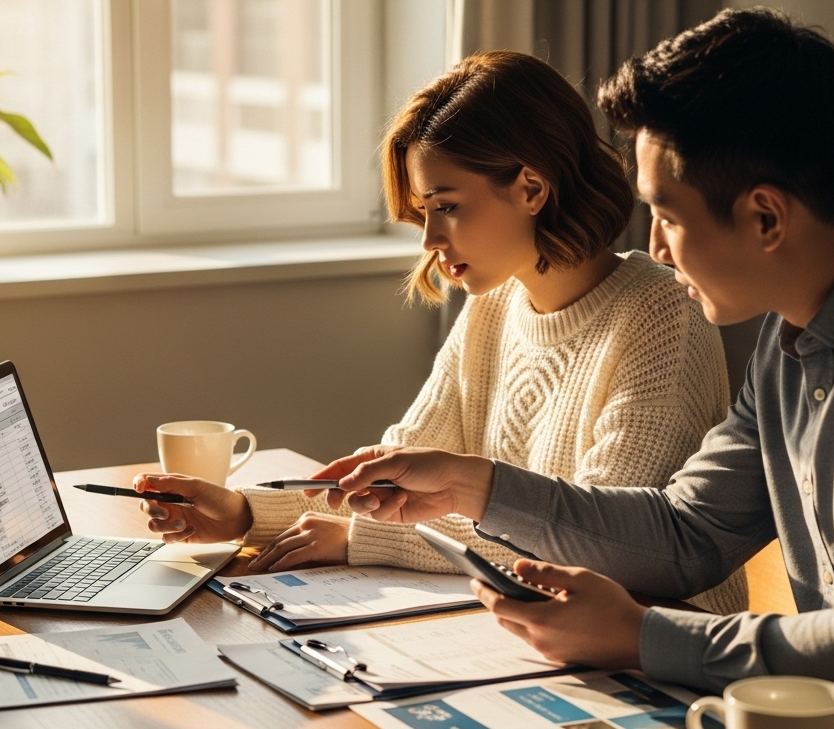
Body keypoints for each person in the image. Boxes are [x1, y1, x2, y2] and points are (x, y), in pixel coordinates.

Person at [295, 9, 834, 729]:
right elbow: (686, 534)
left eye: (665, 214)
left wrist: (642, 636)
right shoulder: (789, 341)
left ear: (766, 216)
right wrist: (477, 488)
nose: (655, 248)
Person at [135, 50, 748, 615]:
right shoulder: (495, 304)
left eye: (446, 205)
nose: (429, 239)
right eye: (423, 212)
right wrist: (244, 512)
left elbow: (596, 544)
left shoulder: (663, 315)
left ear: (531, 188)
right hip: (529, 625)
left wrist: (362, 538)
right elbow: (390, 479)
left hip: (661, 653)